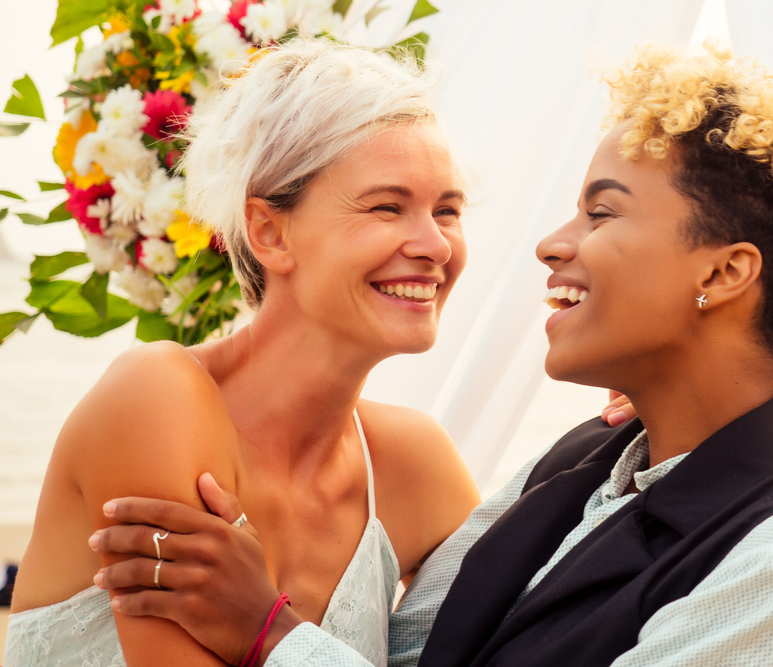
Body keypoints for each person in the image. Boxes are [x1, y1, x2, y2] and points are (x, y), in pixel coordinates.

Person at [85, 42, 773, 667]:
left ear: (725, 272)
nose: (552, 244)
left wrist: (270, 631)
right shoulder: (579, 467)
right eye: (385, 204)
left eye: (602, 213)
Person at [4, 40, 488, 667]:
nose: (435, 245)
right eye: (386, 207)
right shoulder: (157, 397)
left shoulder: (413, 468)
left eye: (447, 211)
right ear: (268, 231)